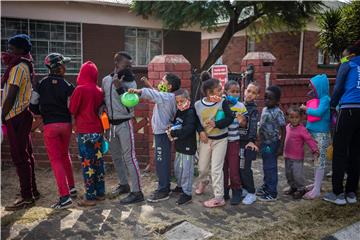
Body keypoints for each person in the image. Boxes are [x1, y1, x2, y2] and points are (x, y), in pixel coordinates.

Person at [29, 53, 77, 209]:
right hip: (66, 124)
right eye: (64, 65)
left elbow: (32, 104)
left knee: (56, 160)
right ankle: (72, 188)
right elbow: (73, 106)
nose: (66, 67)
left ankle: (64, 198)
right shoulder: (68, 86)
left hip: (50, 125)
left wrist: (42, 113)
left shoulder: (41, 84)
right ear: (59, 67)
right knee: (64, 155)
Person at [128, 73, 181, 202]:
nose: (160, 82)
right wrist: (147, 82)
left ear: (169, 86)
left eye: (163, 81)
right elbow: (156, 93)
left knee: (161, 161)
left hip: (162, 134)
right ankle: (164, 186)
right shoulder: (168, 97)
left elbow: (152, 94)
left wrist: (136, 90)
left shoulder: (166, 97)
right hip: (162, 133)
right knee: (161, 160)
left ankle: (164, 190)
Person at [2, 34, 40, 211]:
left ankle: (27, 197)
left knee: (20, 158)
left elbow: (11, 94)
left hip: (15, 115)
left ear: (22, 49)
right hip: (22, 114)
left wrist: (2, 114)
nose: (9, 51)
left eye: (12, 48)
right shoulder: (25, 65)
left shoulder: (18, 67)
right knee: (27, 155)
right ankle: (32, 191)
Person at [101, 52, 144, 204]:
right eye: (127, 65)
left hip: (125, 123)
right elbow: (104, 100)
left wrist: (120, 88)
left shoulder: (130, 82)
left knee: (129, 157)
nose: (130, 68)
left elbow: (130, 104)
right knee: (116, 157)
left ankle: (137, 192)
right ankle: (124, 184)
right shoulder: (106, 80)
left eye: (131, 65)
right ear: (117, 64)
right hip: (110, 125)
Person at [323, 41, 360, 205]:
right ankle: (351, 193)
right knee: (356, 151)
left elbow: (338, 88)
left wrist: (332, 105)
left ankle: (337, 193)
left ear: (351, 55)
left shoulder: (348, 65)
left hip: (348, 110)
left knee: (339, 151)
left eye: (344, 57)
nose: (342, 60)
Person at [69, 61, 105, 207]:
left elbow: (72, 109)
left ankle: (89, 197)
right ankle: (100, 193)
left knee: (87, 164)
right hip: (98, 131)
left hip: (84, 132)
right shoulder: (99, 90)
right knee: (98, 162)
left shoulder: (80, 89)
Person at [194, 78, 234, 208]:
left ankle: (219, 197)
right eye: (219, 89)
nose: (222, 91)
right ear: (209, 92)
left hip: (221, 140)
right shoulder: (198, 105)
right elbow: (196, 122)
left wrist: (217, 124)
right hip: (206, 140)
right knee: (202, 167)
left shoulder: (223, 102)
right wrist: (201, 132)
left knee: (216, 169)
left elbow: (230, 118)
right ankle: (204, 182)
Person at [300, 74, 331, 200]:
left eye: (313, 87)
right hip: (313, 133)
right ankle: (316, 184)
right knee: (315, 159)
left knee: (320, 161)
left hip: (321, 134)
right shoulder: (319, 99)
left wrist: (306, 109)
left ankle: (317, 189)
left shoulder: (325, 99)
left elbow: (318, 112)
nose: (311, 89)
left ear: (320, 87)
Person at [166, 89, 197, 205]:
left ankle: (187, 193)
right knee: (178, 168)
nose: (179, 104)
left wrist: (174, 133)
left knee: (186, 171)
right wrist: (172, 126)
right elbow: (176, 123)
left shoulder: (190, 112)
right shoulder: (179, 111)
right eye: (177, 102)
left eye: (182, 101)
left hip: (188, 147)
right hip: (179, 146)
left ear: (187, 100)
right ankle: (180, 187)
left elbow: (188, 129)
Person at [256, 85, 286, 202]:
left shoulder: (278, 112)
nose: (267, 100)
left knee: (271, 167)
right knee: (266, 165)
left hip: (272, 144)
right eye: (265, 97)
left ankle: (272, 192)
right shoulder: (264, 109)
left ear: (277, 101)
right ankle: (266, 186)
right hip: (265, 144)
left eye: (270, 98)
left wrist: (281, 146)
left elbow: (284, 129)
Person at [284, 106, 319, 200]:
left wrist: (314, 149)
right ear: (288, 118)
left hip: (297, 157)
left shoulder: (302, 129)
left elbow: (309, 139)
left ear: (300, 118)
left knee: (297, 174)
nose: (294, 120)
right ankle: (293, 187)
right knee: (289, 173)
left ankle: (301, 188)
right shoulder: (287, 127)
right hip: (287, 155)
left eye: (296, 117)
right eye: (292, 117)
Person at [222, 80, 247, 205]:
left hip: (234, 141)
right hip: (221, 141)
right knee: (223, 168)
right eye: (232, 91)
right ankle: (224, 191)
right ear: (226, 92)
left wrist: (242, 121)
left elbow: (244, 124)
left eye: (237, 91)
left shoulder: (241, 106)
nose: (235, 94)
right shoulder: (221, 103)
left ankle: (237, 191)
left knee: (233, 168)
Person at [239, 82, 260, 205]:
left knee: (245, 168)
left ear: (257, 95)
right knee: (239, 167)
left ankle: (252, 192)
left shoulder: (253, 110)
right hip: (237, 141)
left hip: (246, 143)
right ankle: (245, 189)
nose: (250, 94)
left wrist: (251, 141)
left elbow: (253, 127)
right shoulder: (239, 106)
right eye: (249, 91)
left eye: (254, 93)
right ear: (244, 90)